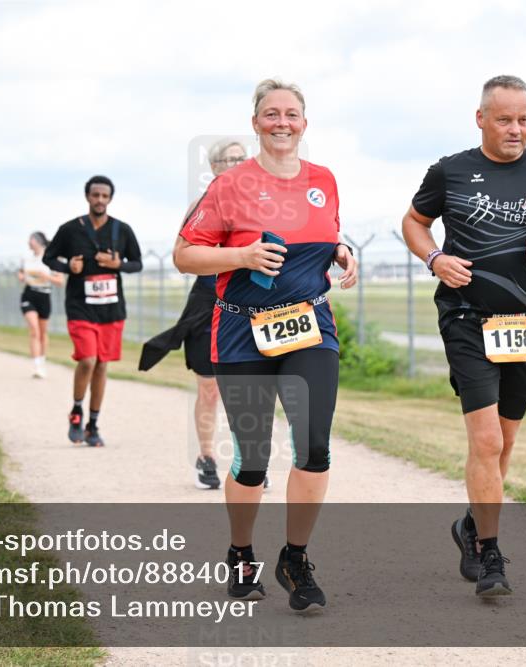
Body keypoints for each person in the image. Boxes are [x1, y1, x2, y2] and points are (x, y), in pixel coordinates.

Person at [173, 79, 357, 612]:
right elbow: (186, 255)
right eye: (271, 113)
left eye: (292, 113)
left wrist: (341, 250)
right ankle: (240, 551)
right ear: (255, 123)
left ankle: (294, 558)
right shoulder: (229, 185)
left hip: (309, 326)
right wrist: (243, 258)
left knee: (314, 446)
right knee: (253, 458)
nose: (282, 122)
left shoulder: (324, 180)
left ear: (305, 122)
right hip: (241, 330)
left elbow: (322, 234)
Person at [401, 75, 526, 597]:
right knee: (484, 440)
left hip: (525, 324)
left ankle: (470, 526)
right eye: (504, 119)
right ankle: (491, 553)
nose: (515, 129)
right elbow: (414, 222)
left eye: (524, 119)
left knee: (503, 444)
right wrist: (435, 258)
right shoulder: (450, 171)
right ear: (480, 118)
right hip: (465, 316)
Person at [139, 139, 254, 491]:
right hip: (209, 304)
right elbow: (185, 257)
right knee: (209, 389)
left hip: (252, 305)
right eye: (229, 159)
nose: (236, 164)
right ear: (215, 166)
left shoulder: (260, 206)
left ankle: (249, 463)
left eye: (242, 158)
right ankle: (206, 457)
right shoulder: (201, 206)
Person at [43, 176, 143, 447]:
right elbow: (48, 257)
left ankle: (93, 424)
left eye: (104, 196)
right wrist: (68, 268)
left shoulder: (122, 230)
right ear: (87, 196)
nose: (100, 200)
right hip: (80, 306)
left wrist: (117, 264)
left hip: (111, 309)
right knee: (87, 359)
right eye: (95, 195)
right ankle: (77, 411)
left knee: (102, 364)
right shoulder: (70, 229)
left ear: (110, 199)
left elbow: (137, 264)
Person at [18, 231, 64, 378]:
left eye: (31, 239)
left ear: (38, 241)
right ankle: (37, 365)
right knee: (34, 330)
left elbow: (60, 281)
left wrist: (47, 277)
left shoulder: (51, 258)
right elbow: (20, 272)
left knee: (43, 333)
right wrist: (20, 276)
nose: (28, 242)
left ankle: (42, 361)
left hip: (44, 295)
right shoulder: (26, 258)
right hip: (29, 294)